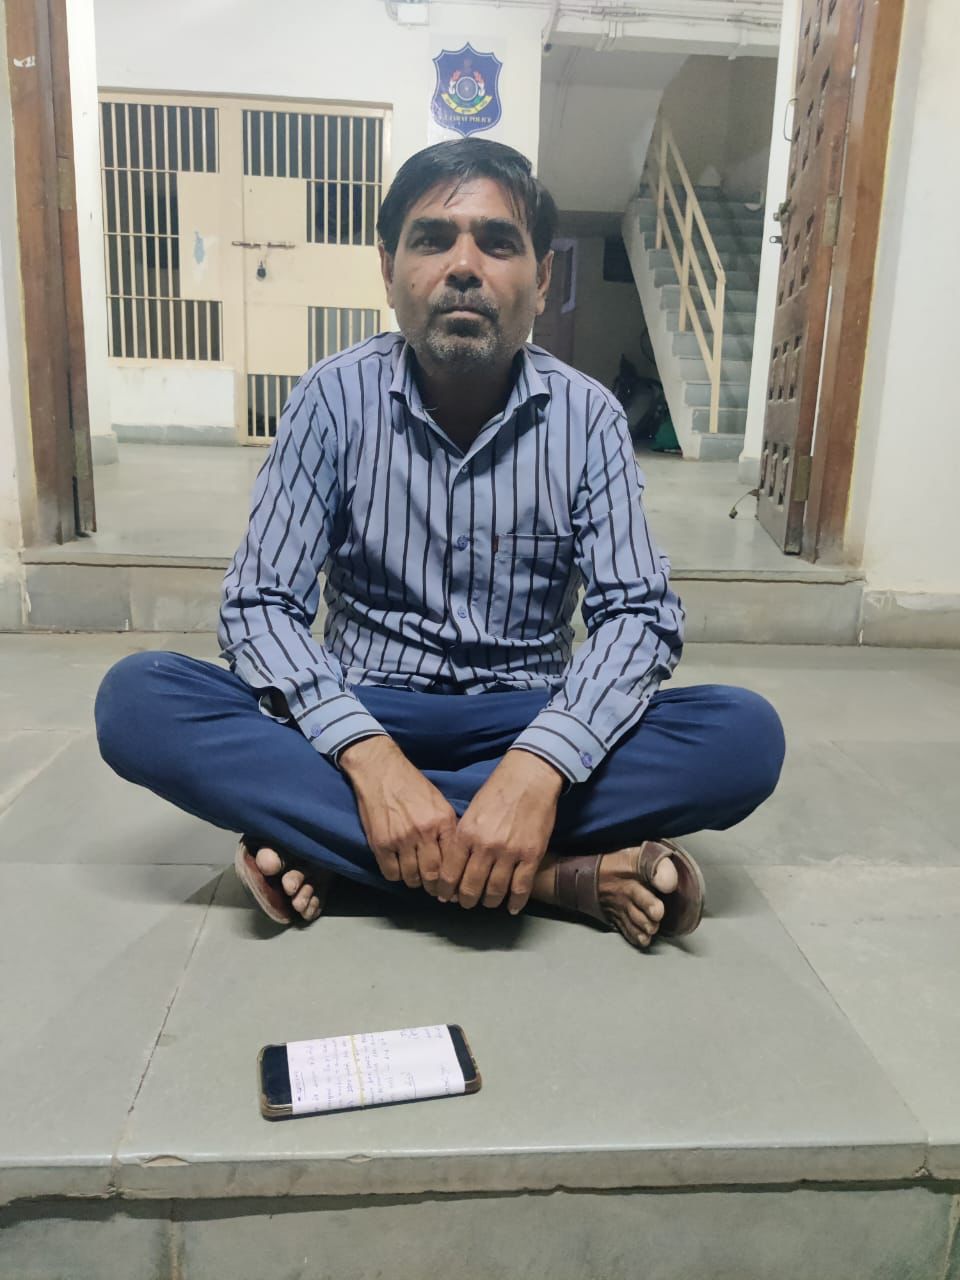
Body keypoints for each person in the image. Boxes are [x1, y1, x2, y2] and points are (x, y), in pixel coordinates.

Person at [95, 139, 785, 951]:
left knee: (743, 738)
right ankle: (549, 875)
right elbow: (259, 605)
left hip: (527, 717)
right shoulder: (332, 399)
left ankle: (349, 847)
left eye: (497, 242)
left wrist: (538, 770)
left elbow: (637, 616)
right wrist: (370, 760)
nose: (464, 266)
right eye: (432, 239)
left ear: (541, 278)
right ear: (389, 268)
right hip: (360, 711)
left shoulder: (589, 418)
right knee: (138, 701)